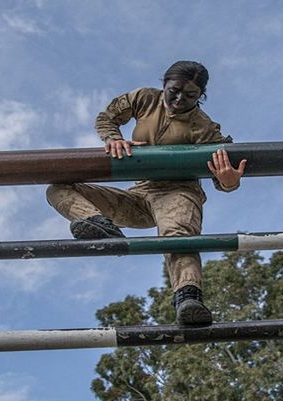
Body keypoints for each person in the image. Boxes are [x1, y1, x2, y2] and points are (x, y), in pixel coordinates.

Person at [46, 61, 246, 325]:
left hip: (178, 193)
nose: (178, 99)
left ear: (201, 96)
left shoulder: (204, 127)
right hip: (139, 195)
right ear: (164, 84)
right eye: (173, 90)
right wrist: (113, 139)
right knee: (57, 189)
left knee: (178, 236)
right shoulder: (144, 98)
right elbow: (106, 117)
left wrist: (228, 181)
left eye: (190, 96)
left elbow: (225, 172)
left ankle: (188, 297)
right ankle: (99, 226)